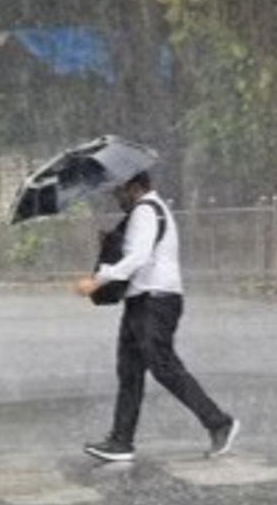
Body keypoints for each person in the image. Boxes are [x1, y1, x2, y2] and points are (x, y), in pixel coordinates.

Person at [74, 171, 240, 463]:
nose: (117, 197)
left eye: (120, 191)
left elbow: (138, 258)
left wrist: (98, 280)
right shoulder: (147, 211)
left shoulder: (146, 211)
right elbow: (136, 253)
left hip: (156, 300)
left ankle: (219, 422)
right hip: (141, 300)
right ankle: (121, 440)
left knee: (164, 366)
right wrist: (112, 243)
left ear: (135, 187)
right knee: (129, 372)